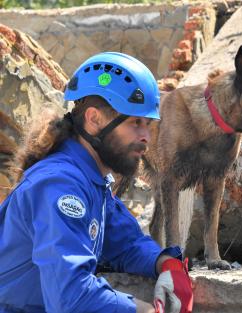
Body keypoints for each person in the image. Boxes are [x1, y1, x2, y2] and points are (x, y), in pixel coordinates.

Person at [0, 52, 193, 313]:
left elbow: (126, 243)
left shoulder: (90, 179)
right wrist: (142, 311)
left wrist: (165, 263)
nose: (146, 137)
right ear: (94, 119)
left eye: (148, 124)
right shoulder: (59, 185)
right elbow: (71, 296)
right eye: (136, 122)